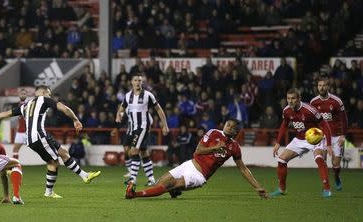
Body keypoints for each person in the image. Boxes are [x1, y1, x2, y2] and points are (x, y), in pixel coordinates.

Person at [0, 85, 101, 198]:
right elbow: (64, 108)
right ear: (44, 92)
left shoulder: (26, 105)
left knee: (63, 152)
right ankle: (49, 192)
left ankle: (85, 176)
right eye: (49, 94)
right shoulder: (44, 99)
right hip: (39, 137)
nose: (49, 97)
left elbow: (6, 113)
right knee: (54, 163)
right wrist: (75, 120)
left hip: (37, 137)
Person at [125, 119, 268, 200]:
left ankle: (134, 194)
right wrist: (215, 148)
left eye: (231, 127)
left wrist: (257, 187)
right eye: (227, 124)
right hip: (190, 164)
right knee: (159, 183)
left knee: (170, 184)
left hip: (199, 175)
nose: (228, 127)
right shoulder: (213, 133)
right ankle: (174, 191)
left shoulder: (235, 147)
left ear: (236, 131)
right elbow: (198, 151)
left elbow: (242, 169)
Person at [271, 88, 333, 198]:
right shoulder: (286, 110)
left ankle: (327, 188)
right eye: (288, 98)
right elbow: (284, 125)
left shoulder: (310, 110)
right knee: (281, 160)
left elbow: (324, 125)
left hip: (315, 138)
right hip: (299, 139)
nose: (290, 101)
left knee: (319, 158)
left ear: (299, 99)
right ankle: (282, 189)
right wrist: (278, 143)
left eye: (293, 98)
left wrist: (328, 144)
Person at [112, 73, 169, 186]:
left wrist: (165, 125)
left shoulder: (148, 95)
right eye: (136, 80)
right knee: (141, 152)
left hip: (143, 127)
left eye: (140, 80)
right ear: (131, 82)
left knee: (134, 150)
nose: (138, 82)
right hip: (132, 128)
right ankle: (151, 179)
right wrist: (118, 115)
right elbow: (122, 109)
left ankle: (133, 178)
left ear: (142, 83)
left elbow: (159, 110)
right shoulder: (128, 96)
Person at [310, 75, 348, 191]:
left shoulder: (336, 101)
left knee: (336, 164)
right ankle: (326, 184)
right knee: (322, 160)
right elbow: (311, 120)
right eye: (319, 85)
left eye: (324, 85)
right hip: (321, 136)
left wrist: (343, 135)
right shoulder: (314, 102)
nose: (321, 88)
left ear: (328, 87)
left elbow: (344, 119)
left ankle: (336, 176)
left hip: (336, 136)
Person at [12, 88, 28, 159]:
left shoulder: (29, 104)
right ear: (19, 95)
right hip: (20, 132)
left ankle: (51, 162)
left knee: (40, 149)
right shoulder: (17, 105)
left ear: (27, 95)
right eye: (21, 94)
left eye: (24, 94)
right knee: (15, 149)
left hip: (29, 131)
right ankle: (15, 166)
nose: (22, 95)